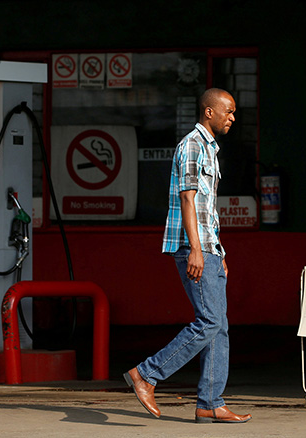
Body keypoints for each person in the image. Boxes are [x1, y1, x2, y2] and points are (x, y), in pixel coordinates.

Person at [124, 88, 251, 424]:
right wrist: (196, 248)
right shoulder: (192, 146)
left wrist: (216, 249)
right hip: (192, 248)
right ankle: (146, 374)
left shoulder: (210, 150)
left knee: (219, 326)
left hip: (209, 248)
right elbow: (188, 200)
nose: (233, 118)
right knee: (209, 321)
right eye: (229, 112)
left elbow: (208, 209)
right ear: (209, 112)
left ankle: (210, 402)